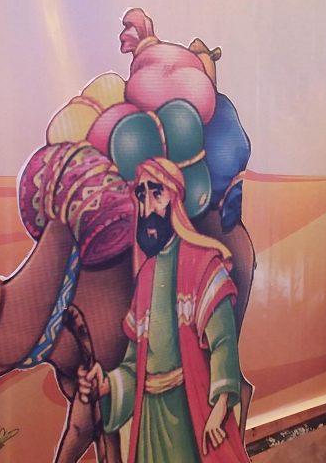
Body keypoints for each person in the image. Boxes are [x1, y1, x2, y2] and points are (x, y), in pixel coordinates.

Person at [78, 157, 250, 462]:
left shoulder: (204, 265)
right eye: (141, 195)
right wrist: (107, 384)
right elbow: (134, 364)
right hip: (150, 420)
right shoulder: (145, 276)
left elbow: (223, 343)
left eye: (156, 193)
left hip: (189, 412)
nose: (147, 208)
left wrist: (220, 406)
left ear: (175, 199)